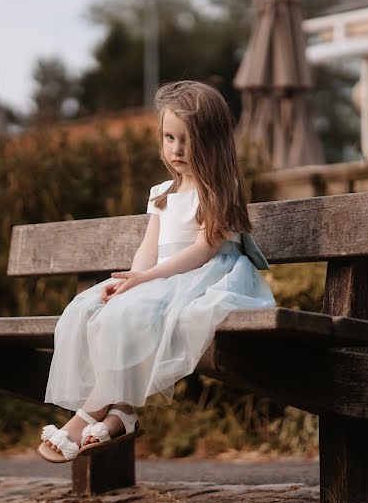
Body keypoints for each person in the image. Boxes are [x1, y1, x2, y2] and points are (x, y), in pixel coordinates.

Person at [38, 80, 276, 463]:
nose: (177, 150)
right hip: (160, 278)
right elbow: (148, 250)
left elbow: (204, 250)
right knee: (93, 311)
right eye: (169, 138)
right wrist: (129, 280)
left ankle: (87, 414)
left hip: (203, 277)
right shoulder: (161, 192)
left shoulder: (222, 189)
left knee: (132, 316)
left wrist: (148, 281)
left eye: (187, 140)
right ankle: (122, 413)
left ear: (211, 140)